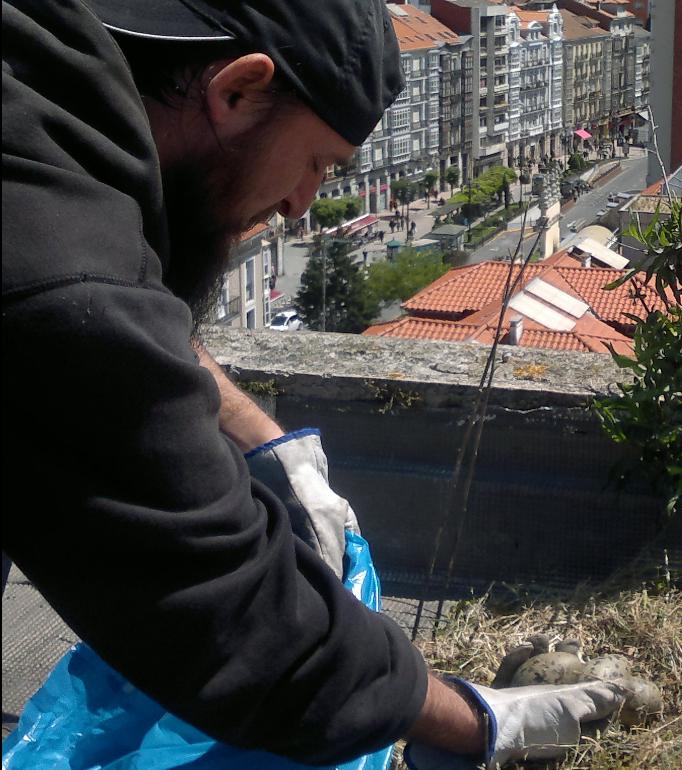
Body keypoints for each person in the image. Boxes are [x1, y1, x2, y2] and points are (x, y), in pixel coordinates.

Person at [1, 0, 624, 767]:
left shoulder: (41, 103)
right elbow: (241, 627)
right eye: (320, 162)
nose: (301, 204)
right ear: (238, 91)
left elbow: (118, 305)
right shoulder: (50, 268)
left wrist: (263, 438)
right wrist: (478, 720)